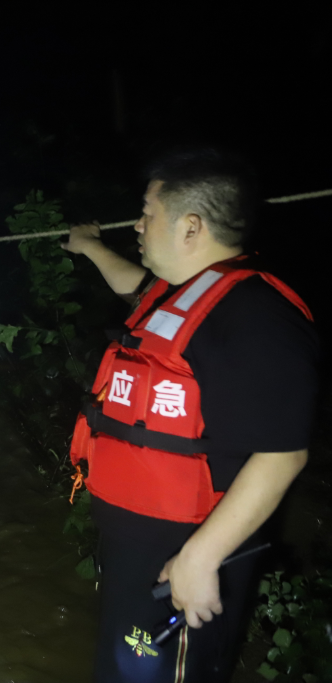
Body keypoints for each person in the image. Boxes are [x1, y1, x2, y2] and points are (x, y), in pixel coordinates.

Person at [62, 149, 318, 682]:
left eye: (147, 212)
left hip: (185, 550)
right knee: (119, 668)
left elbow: (283, 453)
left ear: (191, 227)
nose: (137, 223)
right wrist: (88, 247)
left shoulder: (257, 319)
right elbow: (131, 283)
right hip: (140, 544)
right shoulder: (183, 293)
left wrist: (200, 558)